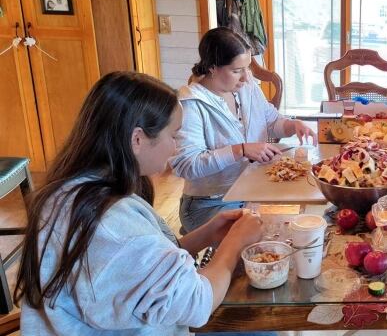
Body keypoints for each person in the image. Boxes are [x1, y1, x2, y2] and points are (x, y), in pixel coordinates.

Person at [14, 72, 265, 334]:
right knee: (257, 326)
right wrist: (235, 244)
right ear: (137, 139)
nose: (176, 147)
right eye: (173, 135)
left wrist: (206, 235)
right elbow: (196, 304)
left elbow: (132, 271)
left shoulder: (71, 191)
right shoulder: (112, 225)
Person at [169, 27, 316, 234]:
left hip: (252, 190)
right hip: (210, 204)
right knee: (267, 237)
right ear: (212, 68)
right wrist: (241, 150)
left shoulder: (247, 88)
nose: (246, 78)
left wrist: (293, 125)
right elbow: (186, 166)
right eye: (237, 70)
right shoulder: (191, 104)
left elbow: (272, 122)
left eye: (248, 68)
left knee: (305, 219)